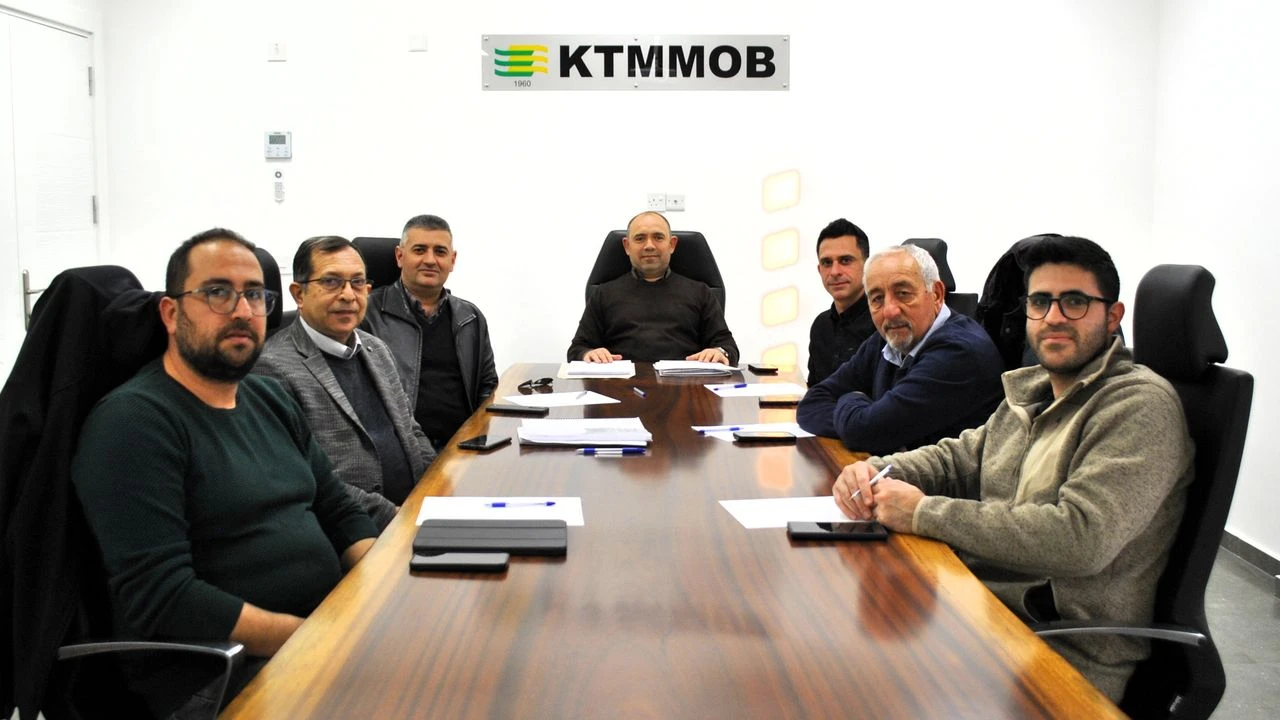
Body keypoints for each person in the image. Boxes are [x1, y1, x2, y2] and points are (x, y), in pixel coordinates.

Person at [833, 236, 1194, 702]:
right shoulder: (1037, 389)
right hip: (986, 612)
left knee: (858, 689)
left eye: (1075, 302)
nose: (1054, 317)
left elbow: (1078, 538)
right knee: (845, 649)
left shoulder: (1139, 407)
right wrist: (877, 470)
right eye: (1040, 302)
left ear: (1113, 316)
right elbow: (960, 458)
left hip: (1060, 652)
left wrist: (922, 513)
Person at [71, 229, 379, 716]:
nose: (242, 311)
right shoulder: (133, 422)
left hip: (320, 633)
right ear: (171, 313)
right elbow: (166, 596)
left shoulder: (268, 397)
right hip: (219, 674)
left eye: (254, 294)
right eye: (217, 292)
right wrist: (317, 637)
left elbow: (339, 510)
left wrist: (386, 591)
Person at [254, 236, 435, 530]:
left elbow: (411, 430)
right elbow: (306, 477)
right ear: (299, 294)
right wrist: (397, 517)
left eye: (357, 282)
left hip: (417, 513)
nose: (349, 295)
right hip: (358, 531)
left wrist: (436, 487)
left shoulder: (376, 348)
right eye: (331, 282)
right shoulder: (272, 368)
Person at [797, 244, 1002, 454]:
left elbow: (868, 432)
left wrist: (852, 399)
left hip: (948, 476)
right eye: (877, 299)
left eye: (903, 294)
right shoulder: (886, 339)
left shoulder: (960, 352)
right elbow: (811, 404)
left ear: (937, 295)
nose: (890, 311)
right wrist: (862, 419)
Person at [362, 215, 499, 451]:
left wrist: (481, 436)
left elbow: (487, 387)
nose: (430, 260)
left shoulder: (470, 317)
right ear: (399, 256)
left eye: (440, 252)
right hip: (400, 449)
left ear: (452, 260)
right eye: (419, 250)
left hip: (464, 446)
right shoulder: (366, 314)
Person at [567, 211, 739, 364]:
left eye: (658, 237)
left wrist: (718, 352)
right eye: (640, 238)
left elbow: (728, 347)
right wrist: (588, 354)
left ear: (672, 244)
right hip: (621, 385)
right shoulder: (603, 294)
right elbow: (577, 350)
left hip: (685, 385)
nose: (649, 246)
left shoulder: (701, 292)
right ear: (627, 246)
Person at [808, 218, 876, 384]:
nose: (835, 271)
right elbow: (814, 390)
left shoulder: (882, 323)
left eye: (845, 260)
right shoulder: (820, 326)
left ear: (868, 266)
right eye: (827, 263)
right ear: (819, 270)